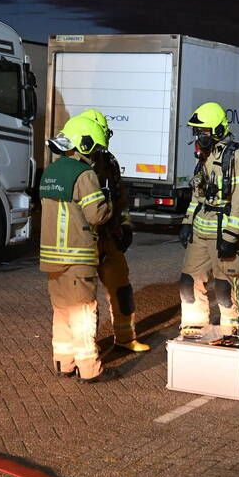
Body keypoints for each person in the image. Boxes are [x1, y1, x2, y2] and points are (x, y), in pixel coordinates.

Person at [39, 115, 117, 383]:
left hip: (51, 258)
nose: (96, 154)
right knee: (83, 312)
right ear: (84, 144)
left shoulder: (50, 171)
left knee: (62, 311)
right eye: (94, 148)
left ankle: (63, 362)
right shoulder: (84, 174)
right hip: (77, 256)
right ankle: (90, 369)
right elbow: (96, 215)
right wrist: (109, 200)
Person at [178, 102, 239, 337]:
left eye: (205, 131)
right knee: (188, 282)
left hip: (223, 232)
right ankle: (194, 326)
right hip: (200, 231)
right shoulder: (204, 156)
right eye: (197, 131)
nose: (200, 136)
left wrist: (231, 236)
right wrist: (188, 222)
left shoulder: (235, 156)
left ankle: (229, 328)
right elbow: (197, 194)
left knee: (224, 287)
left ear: (219, 130)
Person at [77, 108, 150, 352]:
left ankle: (126, 338)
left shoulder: (109, 162)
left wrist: (126, 225)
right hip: (86, 242)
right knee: (84, 301)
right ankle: (87, 349)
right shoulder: (74, 166)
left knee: (122, 290)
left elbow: (119, 198)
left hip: (110, 238)